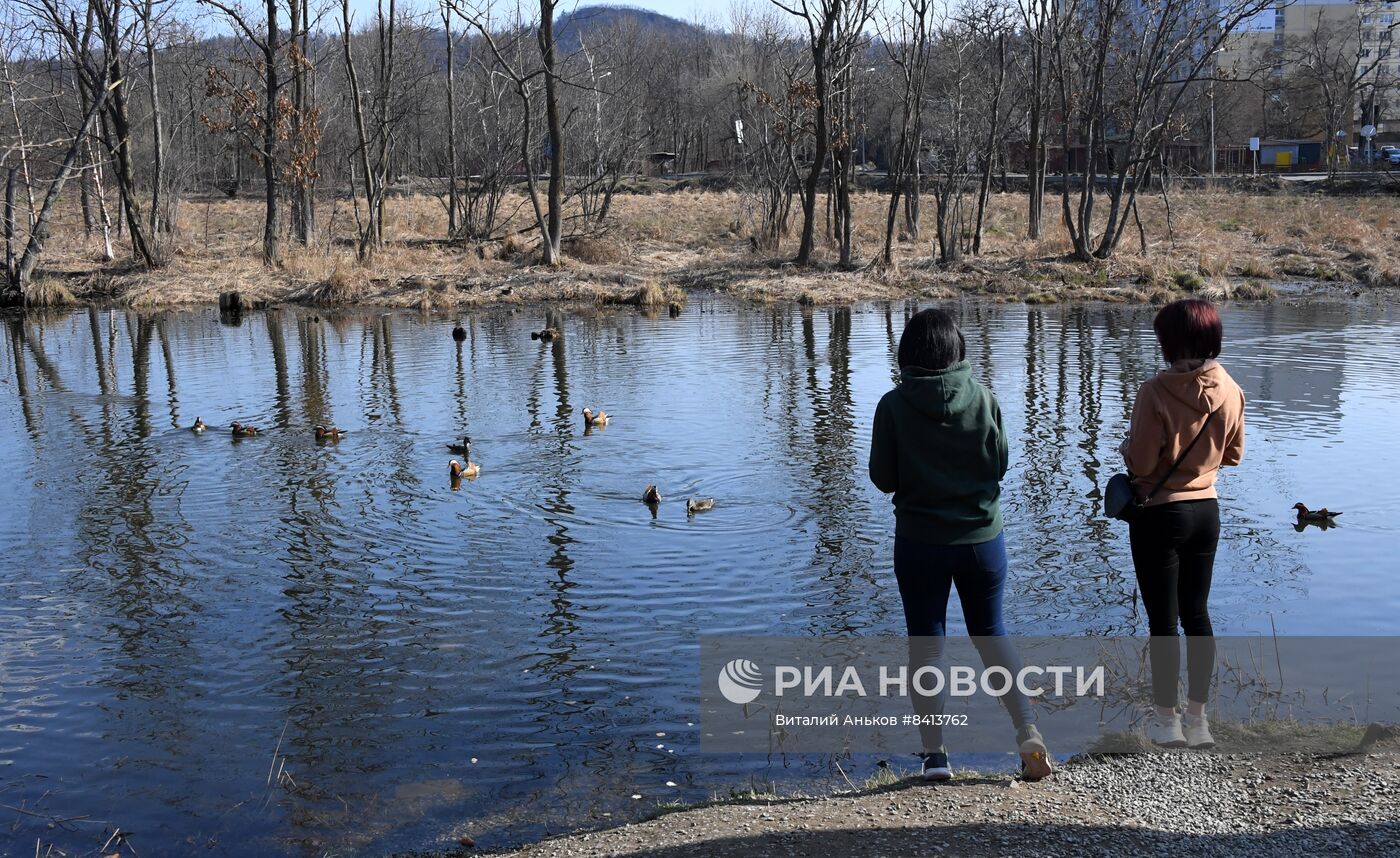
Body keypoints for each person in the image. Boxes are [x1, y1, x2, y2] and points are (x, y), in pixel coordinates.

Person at [868, 308, 1052, 782]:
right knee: (992, 634)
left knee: (927, 646)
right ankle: (1027, 730)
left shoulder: (892, 405)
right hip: (982, 542)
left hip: (919, 542)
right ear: (957, 351)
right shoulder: (985, 400)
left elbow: (882, 478)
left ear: (908, 353)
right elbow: (999, 466)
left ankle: (936, 757)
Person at [1122, 298, 1245, 750]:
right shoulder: (1230, 387)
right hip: (1207, 512)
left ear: (1169, 342)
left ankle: (1165, 722)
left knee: (1162, 621)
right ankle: (1199, 720)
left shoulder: (1154, 392)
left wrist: (1129, 452)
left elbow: (1140, 461)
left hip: (1160, 514)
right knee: (1197, 614)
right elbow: (1233, 455)